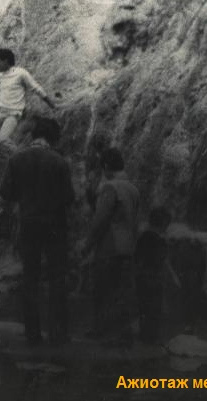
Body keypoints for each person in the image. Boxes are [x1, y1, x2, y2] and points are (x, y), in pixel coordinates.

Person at [0, 117, 74, 345]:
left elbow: (5, 193)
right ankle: (57, 332)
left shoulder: (16, 158)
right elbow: (69, 198)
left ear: (33, 135)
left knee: (30, 277)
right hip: (54, 225)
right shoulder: (59, 161)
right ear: (53, 138)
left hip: (28, 222)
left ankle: (32, 332)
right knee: (56, 278)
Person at [81, 147, 140, 346]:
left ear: (106, 166)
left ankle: (100, 329)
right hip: (128, 245)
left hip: (110, 245)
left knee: (101, 288)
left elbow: (101, 219)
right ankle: (124, 332)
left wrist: (88, 245)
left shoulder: (110, 188)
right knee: (122, 290)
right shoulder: (132, 188)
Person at [0, 48, 55, 161]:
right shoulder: (0, 76)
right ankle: (8, 167)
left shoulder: (21, 73)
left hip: (13, 113)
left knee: (2, 140)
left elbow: (36, 88)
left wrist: (51, 104)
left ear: (6, 61)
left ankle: (26, 159)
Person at [135, 207, 176, 343]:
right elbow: (161, 259)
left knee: (144, 308)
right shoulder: (159, 240)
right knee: (154, 309)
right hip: (154, 278)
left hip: (142, 277)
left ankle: (144, 335)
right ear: (164, 223)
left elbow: (138, 258)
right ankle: (151, 337)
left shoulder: (143, 237)